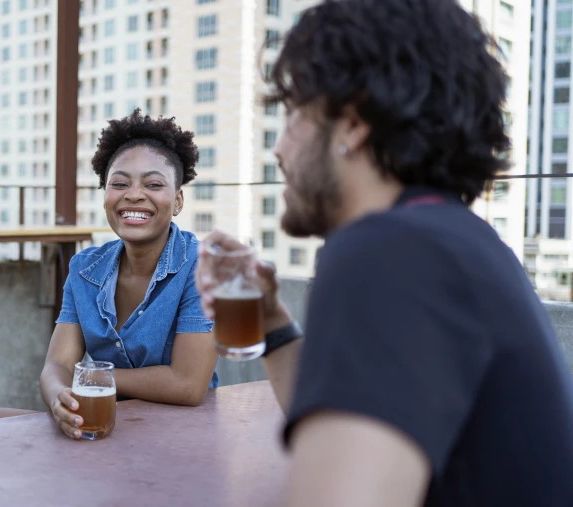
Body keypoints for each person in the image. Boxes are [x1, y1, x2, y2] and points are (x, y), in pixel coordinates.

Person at [196, 1, 573, 505]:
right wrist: (271, 322)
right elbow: (346, 435)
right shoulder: (463, 242)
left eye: (291, 116)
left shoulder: (389, 250)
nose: (279, 149)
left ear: (352, 123)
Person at [0, 110, 219, 438]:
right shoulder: (85, 269)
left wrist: (90, 378)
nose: (134, 194)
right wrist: (59, 397)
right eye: (119, 183)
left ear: (178, 200)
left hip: (180, 436)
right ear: (106, 197)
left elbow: (188, 384)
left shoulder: (201, 267)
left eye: (153, 184)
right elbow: (57, 365)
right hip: (98, 425)